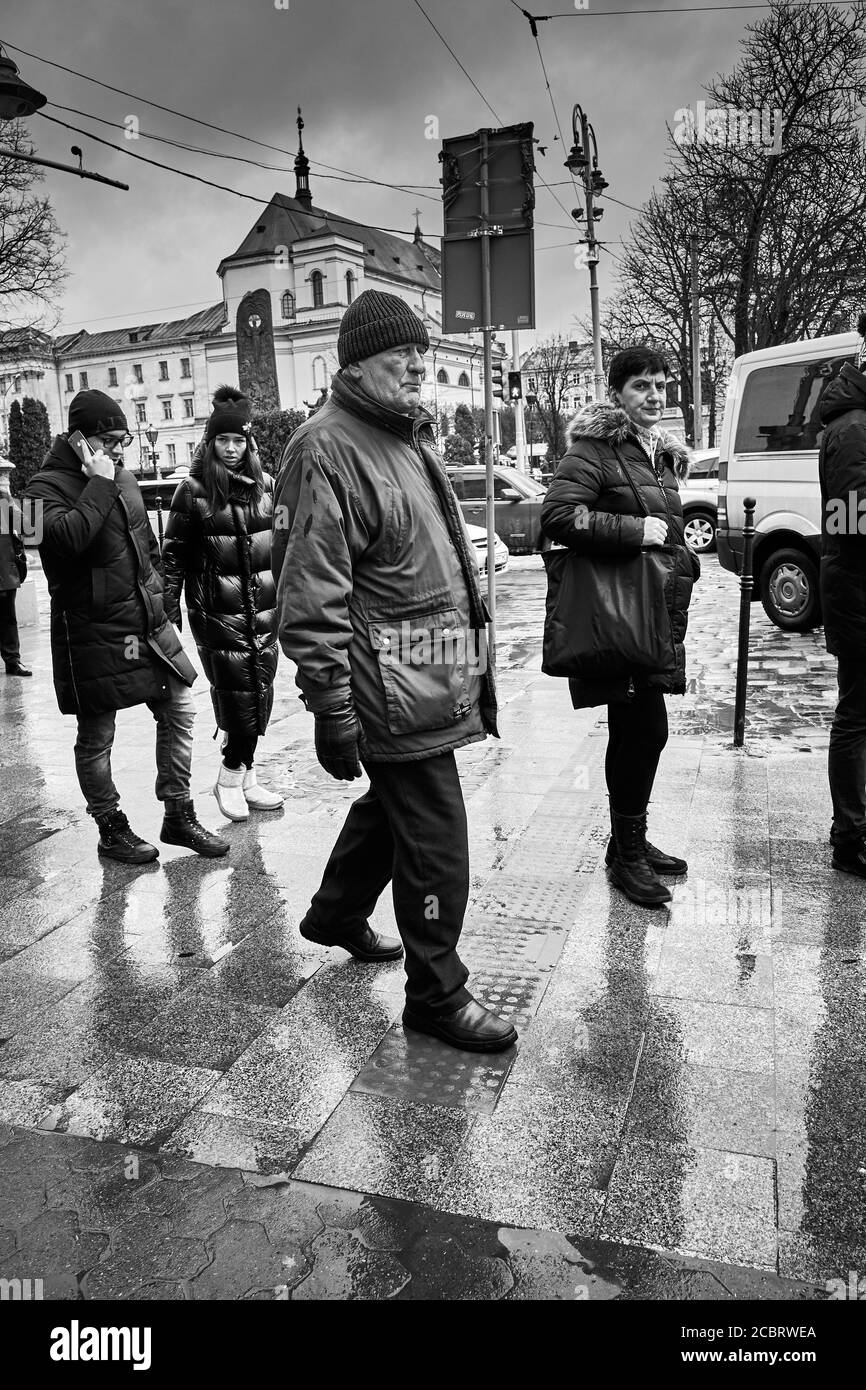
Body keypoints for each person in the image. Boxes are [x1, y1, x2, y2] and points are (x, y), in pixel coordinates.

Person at [272, 289, 516, 1053]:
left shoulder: (407, 438)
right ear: (357, 365)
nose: (418, 366)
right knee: (437, 832)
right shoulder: (324, 448)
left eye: (422, 354)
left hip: (425, 673)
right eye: (400, 356)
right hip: (387, 686)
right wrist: (332, 707)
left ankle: (337, 911)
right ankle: (437, 994)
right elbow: (311, 595)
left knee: (397, 804)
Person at [25, 389, 229, 863]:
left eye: (123, 440)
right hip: (90, 630)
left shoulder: (125, 477)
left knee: (180, 709)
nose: (118, 450)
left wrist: (157, 595)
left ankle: (178, 813)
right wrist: (98, 484)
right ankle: (110, 825)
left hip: (146, 623)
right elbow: (56, 544)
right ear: (80, 439)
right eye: (110, 440)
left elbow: (149, 547)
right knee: (98, 736)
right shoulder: (36, 490)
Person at [541, 347, 700, 907]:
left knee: (642, 731)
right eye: (641, 386)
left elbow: (666, 531)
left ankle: (628, 841)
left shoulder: (656, 453)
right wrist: (635, 532)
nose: (654, 395)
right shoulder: (595, 449)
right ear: (617, 393)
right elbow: (559, 517)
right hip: (617, 619)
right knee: (640, 730)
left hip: (651, 614)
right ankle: (626, 854)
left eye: (661, 384)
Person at [161, 386, 282, 820]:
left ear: (249, 443)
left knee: (262, 686)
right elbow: (172, 554)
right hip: (217, 610)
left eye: (238, 441)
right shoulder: (191, 492)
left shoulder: (266, 486)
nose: (231, 449)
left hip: (265, 607)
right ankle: (229, 776)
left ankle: (246, 776)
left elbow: (280, 545)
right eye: (223, 440)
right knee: (237, 692)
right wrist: (167, 611)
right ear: (209, 443)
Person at [818, 314, 866, 877]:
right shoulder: (852, 425)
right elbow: (850, 518)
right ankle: (850, 836)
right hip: (859, 590)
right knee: (857, 714)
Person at [0, 485, 31, 677]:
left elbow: (26, 526)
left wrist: (9, 500)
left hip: (4, 568)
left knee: (7, 618)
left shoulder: (3, 500)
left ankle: (12, 661)